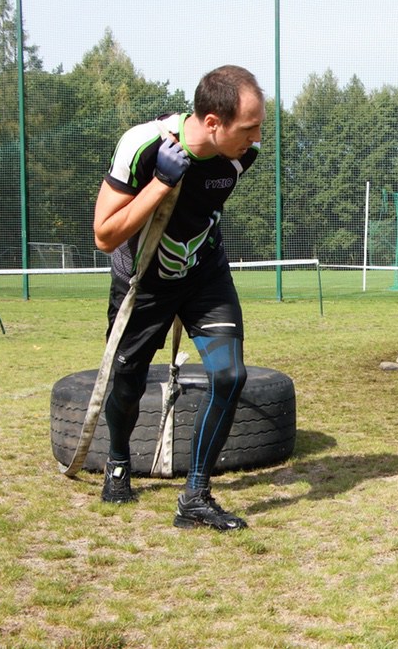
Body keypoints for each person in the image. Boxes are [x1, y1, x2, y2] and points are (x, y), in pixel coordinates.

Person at [92, 65, 265, 531]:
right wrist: (160, 183)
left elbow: (201, 208)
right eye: (249, 128)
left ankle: (195, 496)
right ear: (213, 122)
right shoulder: (142, 145)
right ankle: (118, 460)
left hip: (205, 275)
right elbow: (105, 236)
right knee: (127, 385)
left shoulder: (242, 156)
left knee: (229, 375)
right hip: (143, 282)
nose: (257, 139)